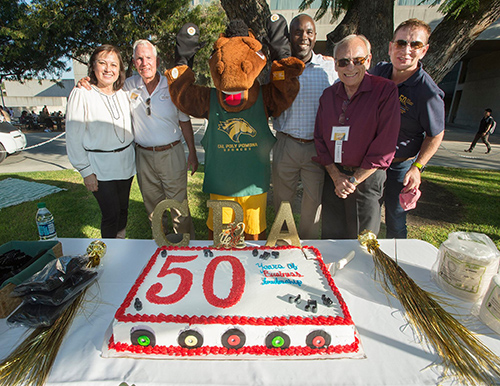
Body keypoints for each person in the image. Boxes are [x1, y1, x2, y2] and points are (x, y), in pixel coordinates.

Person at [80, 40, 198, 240]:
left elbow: (185, 122)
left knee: (178, 205)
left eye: (149, 58)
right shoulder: (127, 85)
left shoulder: (172, 85)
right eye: (139, 59)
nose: (145, 63)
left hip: (171, 153)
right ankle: (162, 247)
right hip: (142, 155)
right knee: (153, 207)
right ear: (134, 63)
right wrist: (88, 81)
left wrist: (193, 154)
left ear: (157, 61)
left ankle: (185, 249)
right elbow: (105, 86)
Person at [313, 34, 400, 239]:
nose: (350, 67)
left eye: (357, 60)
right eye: (343, 62)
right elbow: (320, 138)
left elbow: (385, 143)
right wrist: (336, 177)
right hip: (334, 179)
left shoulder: (385, 91)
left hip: (367, 179)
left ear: (368, 61)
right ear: (335, 66)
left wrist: (353, 180)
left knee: (363, 241)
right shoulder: (328, 95)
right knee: (331, 239)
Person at [371, 18, 445, 239]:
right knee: (366, 217)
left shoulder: (427, 92)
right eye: (401, 43)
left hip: (398, 167)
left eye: (415, 45)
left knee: (395, 222)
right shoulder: (379, 72)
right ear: (391, 46)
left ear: (424, 51)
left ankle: (396, 265)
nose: (406, 50)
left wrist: (417, 167)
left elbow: (436, 135)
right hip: (370, 164)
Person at [272, 14, 337, 239]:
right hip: (286, 143)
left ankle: (308, 246)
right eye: (298, 32)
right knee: (282, 200)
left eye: (309, 32)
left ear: (315, 36)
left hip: (316, 149)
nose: (304, 37)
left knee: (313, 203)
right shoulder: (279, 68)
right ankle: (282, 243)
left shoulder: (328, 69)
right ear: (290, 36)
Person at [66, 45, 136, 239]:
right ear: (93, 67)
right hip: (100, 167)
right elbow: (73, 136)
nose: (108, 69)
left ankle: (120, 247)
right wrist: (85, 171)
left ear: (120, 69)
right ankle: (110, 256)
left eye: (114, 64)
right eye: (102, 63)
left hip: (126, 164)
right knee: (110, 215)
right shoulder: (82, 93)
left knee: (123, 211)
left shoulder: (124, 94)